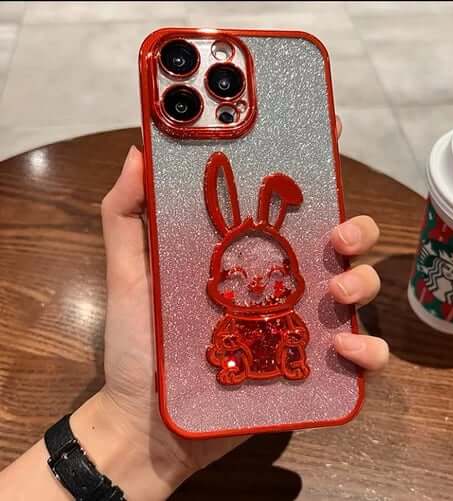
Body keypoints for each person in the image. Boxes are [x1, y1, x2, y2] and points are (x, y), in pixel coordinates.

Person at [0, 133, 389, 500]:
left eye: (273, 275)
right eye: (238, 278)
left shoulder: (283, 311)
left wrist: (295, 344)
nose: (257, 287)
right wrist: (132, 426)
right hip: (227, 374)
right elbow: (223, 343)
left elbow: (297, 334)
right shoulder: (230, 318)